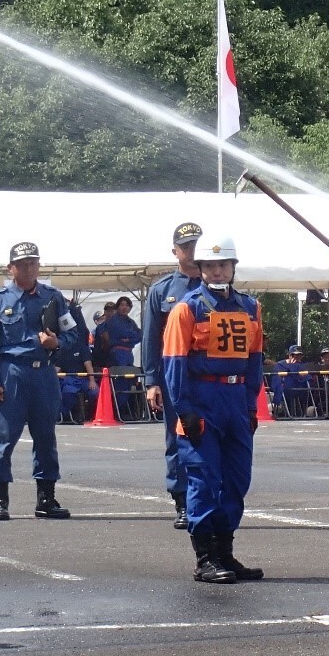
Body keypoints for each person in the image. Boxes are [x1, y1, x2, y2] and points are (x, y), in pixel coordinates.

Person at [163, 232, 265, 583]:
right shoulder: (185, 309)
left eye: (224, 265)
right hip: (203, 401)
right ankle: (205, 557)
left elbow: (255, 359)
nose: (218, 271)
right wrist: (184, 410)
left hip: (236, 401)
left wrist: (251, 405)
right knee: (204, 479)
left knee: (237, 479)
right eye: (211, 266)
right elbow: (174, 362)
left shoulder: (251, 307)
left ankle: (226, 552)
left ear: (233, 267)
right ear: (201, 269)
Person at [0, 242, 76, 521]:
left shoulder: (53, 297)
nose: (29, 268)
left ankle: (46, 498)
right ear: (11, 268)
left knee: (46, 437)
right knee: (4, 437)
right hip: (13, 374)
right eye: (22, 264)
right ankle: (0, 500)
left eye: (33, 262)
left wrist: (57, 342)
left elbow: (73, 335)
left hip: (44, 373)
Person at [143, 221, 204, 529]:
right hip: (175, 377)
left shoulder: (218, 286)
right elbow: (151, 339)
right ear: (175, 251)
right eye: (186, 246)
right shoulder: (162, 290)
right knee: (177, 437)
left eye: (196, 245)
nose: (192, 251)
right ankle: (182, 500)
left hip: (210, 376)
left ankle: (208, 497)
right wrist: (151, 381)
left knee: (213, 436)